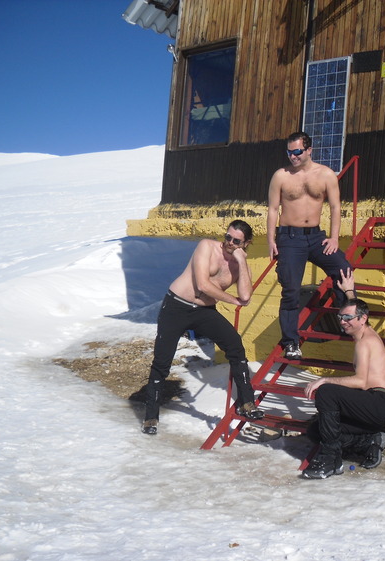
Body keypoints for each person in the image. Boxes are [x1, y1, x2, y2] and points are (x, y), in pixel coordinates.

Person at [141, 220, 263, 435]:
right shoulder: (206, 246)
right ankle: (151, 416)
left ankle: (247, 403)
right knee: (162, 361)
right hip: (176, 306)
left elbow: (245, 295)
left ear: (246, 244)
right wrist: (233, 301)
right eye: (228, 237)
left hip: (204, 312)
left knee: (235, 346)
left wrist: (242, 262)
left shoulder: (239, 264)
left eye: (236, 241)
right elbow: (203, 284)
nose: (230, 243)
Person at [267, 131, 352, 360]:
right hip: (289, 239)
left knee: (343, 268)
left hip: (316, 237)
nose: (293, 156)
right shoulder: (281, 176)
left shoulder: (325, 174)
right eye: (289, 152)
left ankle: (348, 320)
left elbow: (335, 207)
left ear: (309, 150)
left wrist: (334, 238)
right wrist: (271, 241)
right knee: (291, 290)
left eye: (297, 152)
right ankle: (291, 342)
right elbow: (273, 209)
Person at [302, 286, 385, 479]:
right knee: (316, 430)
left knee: (327, 392)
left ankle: (330, 459)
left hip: (377, 403)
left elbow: (360, 381)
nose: (343, 322)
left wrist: (324, 379)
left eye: (347, 318)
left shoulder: (364, 342)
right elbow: (358, 309)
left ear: (363, 319)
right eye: (340, 318)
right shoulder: (365, 333)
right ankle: (369, 441)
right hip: (371, 404)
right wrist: (350, 291)